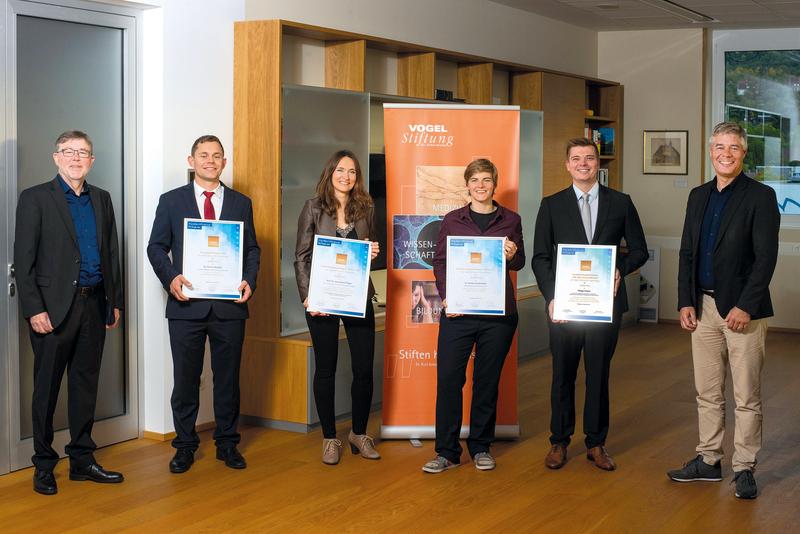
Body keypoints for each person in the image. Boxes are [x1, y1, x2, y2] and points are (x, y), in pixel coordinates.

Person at [667, 122, 780, 500]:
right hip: (703, 308)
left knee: (746, 395)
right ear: (710, 151)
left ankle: (744, 467)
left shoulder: (760, 196)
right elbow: (687, 253)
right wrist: (685, 300)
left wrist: (746, 305)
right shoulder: (698, 196)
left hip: (742, 311)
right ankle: (709, 460)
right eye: (719, 147)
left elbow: (765, 258)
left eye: (733, 148)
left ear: (744, 153)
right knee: (707, 392)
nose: (725, 154)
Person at [15, 130, 124, 495]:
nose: (76, 158)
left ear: (92, 161)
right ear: (56, 157)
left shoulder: (102, 199)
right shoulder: (35, 199)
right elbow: (24, 260)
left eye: (84, 152)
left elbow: (111, 253)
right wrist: (34, 309)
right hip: (53, 309)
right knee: (46, 389)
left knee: (84, 384)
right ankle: (44, 465)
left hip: (94, 304)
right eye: (69, 151)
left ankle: (81, 460)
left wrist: (115, 301)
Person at [532, 137, 647, 472]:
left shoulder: (621, 202)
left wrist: (619, 270)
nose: (583, 163)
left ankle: (596, 443)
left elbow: (638, 249)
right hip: (564, 307)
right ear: (567, 165)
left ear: (599, 164)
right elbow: (541, 258)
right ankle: (559, 441)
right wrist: (552, 297)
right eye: (576, 158)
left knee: (598, 374)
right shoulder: (551, 205)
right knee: (562, 375)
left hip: (603, 305)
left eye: (590, 158)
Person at [147, 135, 260, 474]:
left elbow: (252, 249)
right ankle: (183, 446)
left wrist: (249, 280)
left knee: (228, 379)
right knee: (185, 379)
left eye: (217, 156)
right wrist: (171, 278)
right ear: (191, 160)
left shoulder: (242, 203)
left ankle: (227, 444)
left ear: (224, 162)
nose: (210, 161)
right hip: (186, 306)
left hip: (229, 306)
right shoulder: (171, 201)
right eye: (203, 155)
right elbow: (155, 247)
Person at [422, 158, 524, 473]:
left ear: (495, 183)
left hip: (498, 315)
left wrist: (513, 254)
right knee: (450, 380)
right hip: (459, 312)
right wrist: (447, 296)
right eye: (475, 180)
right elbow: (440, 262)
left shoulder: (511, 219)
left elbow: (518, 263)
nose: (481, 185)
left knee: (486, 382)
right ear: (467, 184)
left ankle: (481, 447)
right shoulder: (452, 220)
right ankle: (447, 452)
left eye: (486, 180)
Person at [294, 150, 381, 465]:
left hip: (357, 294)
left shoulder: (366, 208)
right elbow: (301, 256)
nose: (347, 176)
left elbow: (369, 251)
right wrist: (308, 295)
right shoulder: (313, 207)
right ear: (330, 172)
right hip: (322, 297)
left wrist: (373, 252)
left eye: (353, 171)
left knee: (363, 368)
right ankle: (330, 438)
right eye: (341, 170)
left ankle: (359, 433)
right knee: (326, 368)